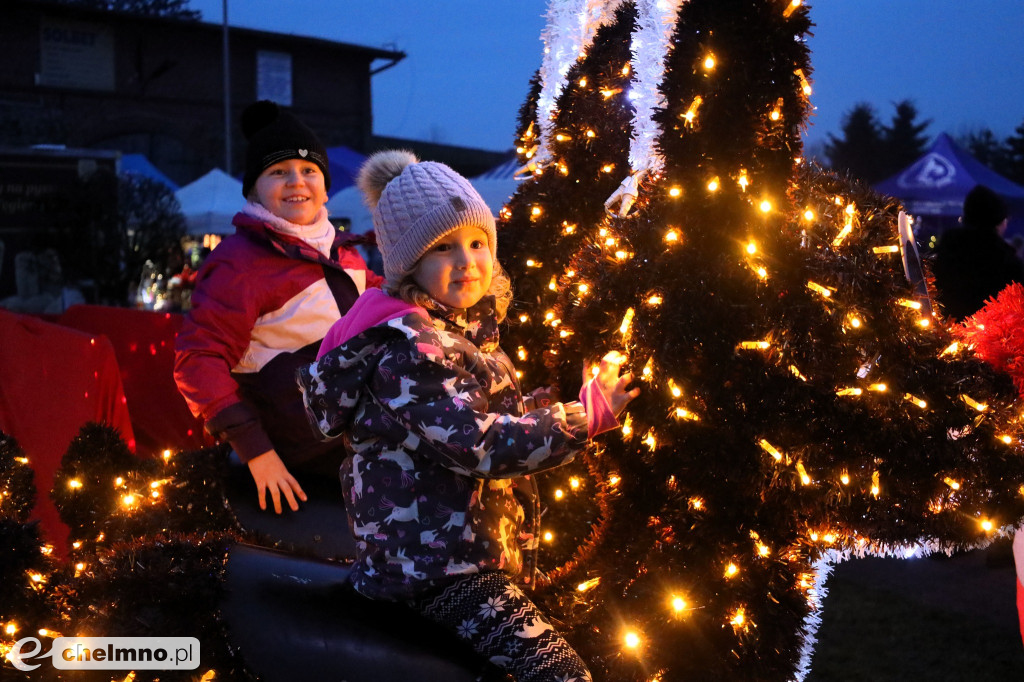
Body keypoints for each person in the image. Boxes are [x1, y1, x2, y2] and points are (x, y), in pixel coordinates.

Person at [298, 150, 639, 682]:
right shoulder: (410, 349)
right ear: (408, 265)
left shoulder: (458, 335)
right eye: (443, 247)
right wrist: (583, 416)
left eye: (477, 242)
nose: (468, 261)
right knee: (559, 673)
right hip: (430, 568)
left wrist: (545, 407)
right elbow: (477, 444)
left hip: (464, 555)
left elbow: (478, 414)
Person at [174, 100, 383, 514]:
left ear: (325, 186)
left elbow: (397, 309)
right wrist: (256, 450)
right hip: (308, 446)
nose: (296, 182)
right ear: (253, 189)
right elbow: (197, 359)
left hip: (365, 429)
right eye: (277, 172)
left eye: (309, 171)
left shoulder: (344, 257)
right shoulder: (241, 262)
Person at [930, 184, 1024, 322]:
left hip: (945, 328)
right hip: (990, 336)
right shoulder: (1004, 258)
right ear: (998, 219)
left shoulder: (947, 247)